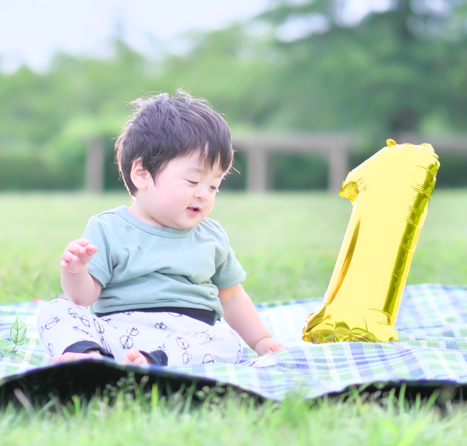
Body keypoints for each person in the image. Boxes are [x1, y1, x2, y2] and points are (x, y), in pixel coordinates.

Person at [37, 91, 285, 366]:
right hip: (118, 333)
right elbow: (83, 297)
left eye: (214, 185)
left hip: (188, 337)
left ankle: (152, 362)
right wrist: (75, 270)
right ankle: (89, 359)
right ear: (142, 174)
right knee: (55, 311)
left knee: (228, 343)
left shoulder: (211, 237)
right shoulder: (107, 228)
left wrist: (261, 339)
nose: (204, 193)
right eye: (192, 181)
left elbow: (232, 296)